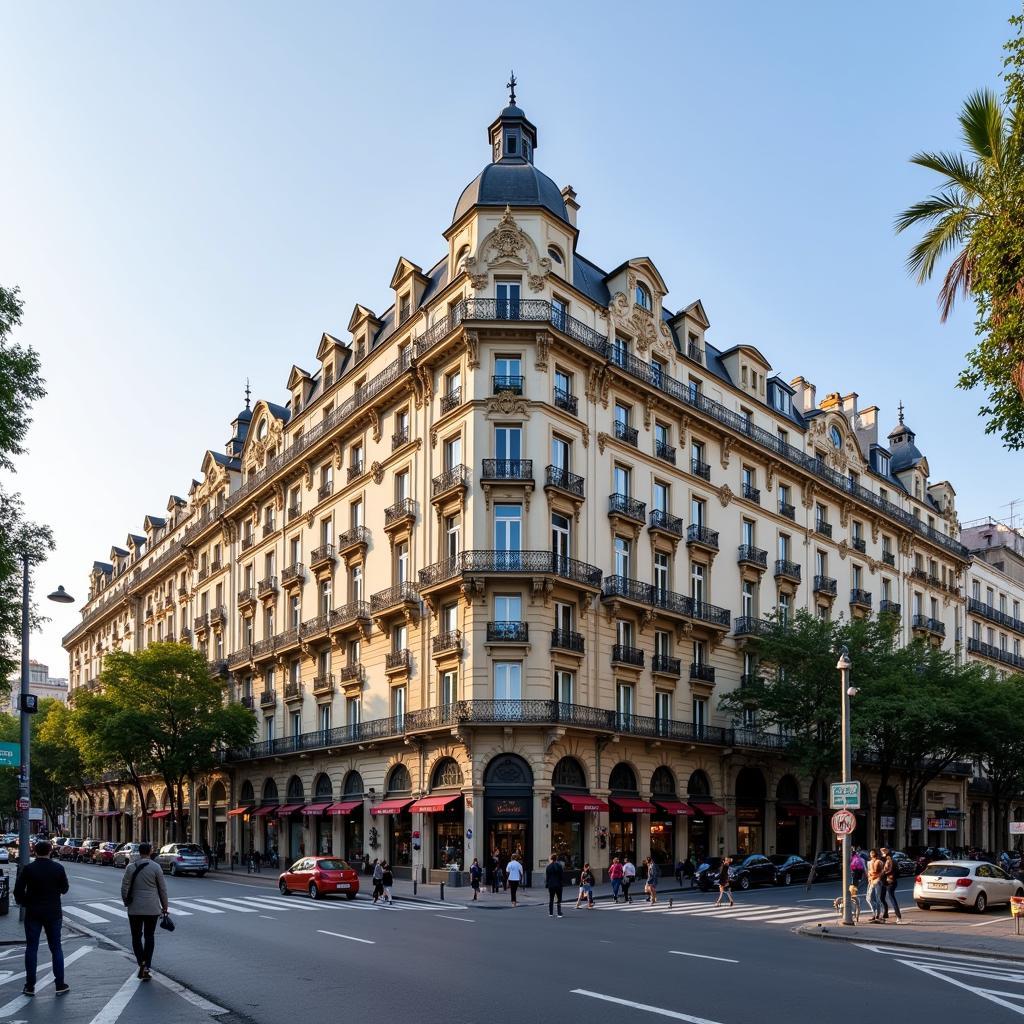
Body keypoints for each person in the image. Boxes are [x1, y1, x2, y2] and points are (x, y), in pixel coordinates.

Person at [14, 839, 70, 998]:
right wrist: (54, 892)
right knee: (56, 948)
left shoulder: (28, 869)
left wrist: (25, 902)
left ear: (35, 852)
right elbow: (65, 889)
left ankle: (29, 985)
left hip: (33, 912)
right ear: (50, 851)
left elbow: (18, 891)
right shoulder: (58, 868)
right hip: (53, 912)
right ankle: (60, 984)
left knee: (32, 948)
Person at [120, 841, 169, 982]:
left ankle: (141, 962)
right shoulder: (156, 867)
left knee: (136, 937)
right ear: (150, 851)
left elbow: (124, 887)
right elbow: (162, 889)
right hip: (152, 908)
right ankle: (147, 965)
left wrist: (126, 901)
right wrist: (165, 907)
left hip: (134, 908)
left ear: (139, 852)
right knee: (149, 936)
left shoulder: (131, 867)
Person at [879, 847, 903, 924]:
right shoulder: (888, 860)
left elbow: (886, 871)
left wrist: (880, 876)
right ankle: (885, 914)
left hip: (889, 881)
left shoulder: (890, 861)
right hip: (887, 881)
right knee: (882, 897)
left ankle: (898, 916)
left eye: (883, 853)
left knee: (891, 898)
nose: (882, 854)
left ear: (886, 854)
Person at [866, 849, 883, 922]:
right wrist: (869, 878)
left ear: (876, 853)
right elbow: (869, 871)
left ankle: (877, 915)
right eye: (870, 852)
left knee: (877, 898)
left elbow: (882, 872)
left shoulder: (879, 862)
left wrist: (877, 878)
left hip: (877, 881)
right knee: (868, 898)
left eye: (872, 852)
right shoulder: (869, 862)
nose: (871, 853)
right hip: (871, 881)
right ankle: (874, 912)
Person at [545, 853, 564, 917]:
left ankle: (551, 913)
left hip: (551, 884)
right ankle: (559, 913)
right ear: (556, 859)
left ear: (551, 859)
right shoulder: (559, 866)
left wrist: (547, 884)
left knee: (551, 898)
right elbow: (561, 876)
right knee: (559, 899)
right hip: (558, 884)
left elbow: (547, 877)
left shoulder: (548, 867)